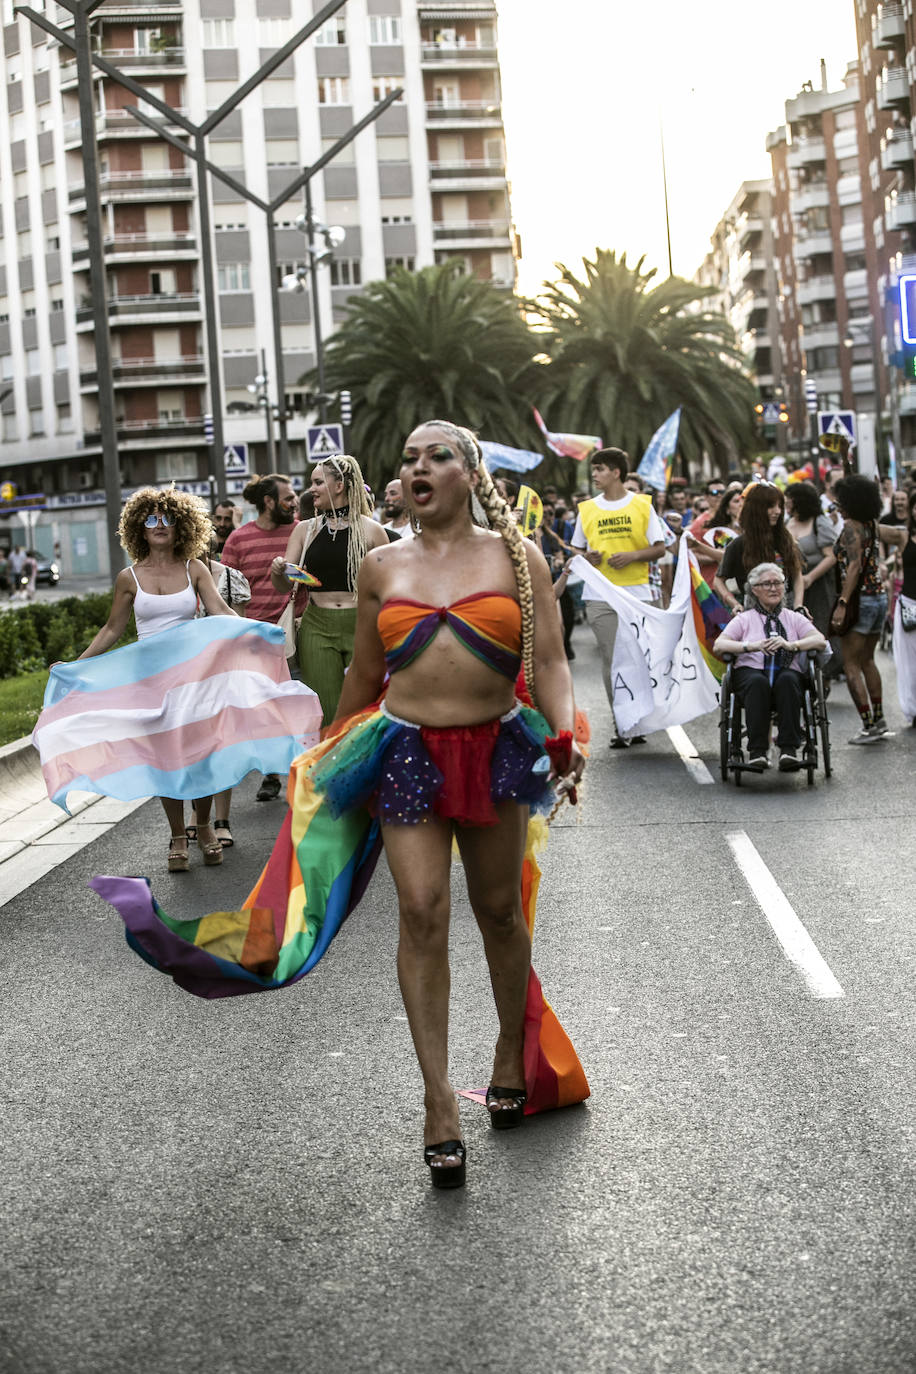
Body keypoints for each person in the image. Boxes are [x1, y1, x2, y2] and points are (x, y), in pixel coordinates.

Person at [325, 419, 586, 1187]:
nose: (419, 466)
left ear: (470, 473)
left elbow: (551, 660)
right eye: (408, 457)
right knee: (422, 909)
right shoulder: (379, 566)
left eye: (438, 455)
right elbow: (363, 676)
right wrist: (328, 743)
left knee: (499, 910)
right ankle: (439, 1101)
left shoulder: (517, 557)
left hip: (498, 748)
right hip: (406, 751)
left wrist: (566, 733)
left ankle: (510, 1048)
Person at [75, 489, 237, 869]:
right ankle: (178, 834)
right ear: (139, 528)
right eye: (151, 519)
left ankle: (205, 826)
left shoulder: (194, 567)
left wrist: (258, 632)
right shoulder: (128, 577)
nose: (159, 526)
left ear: (180, 524)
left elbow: (219, 610)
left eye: (167, 518)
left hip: (194, 676)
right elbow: (112, 629)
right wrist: (77, 664)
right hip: (151, 680)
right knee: (167, 759)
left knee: (199, 755)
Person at [271, 455, 388, 726]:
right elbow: (284, 586)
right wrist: (278, 571)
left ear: (339, 486)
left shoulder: (372, 531)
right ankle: (330, 765)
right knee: (327, 710)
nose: (311, 489)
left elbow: (387, 587)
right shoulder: (305, 530)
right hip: (317, 626)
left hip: (362, 624)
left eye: (317, 482)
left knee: (364, 708)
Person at [570, 447, 666, 747]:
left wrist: (634, 556)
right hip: (599, 594)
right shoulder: (587, 509)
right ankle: (622, 724)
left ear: (616, 472)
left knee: (638, 658)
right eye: (593, 470)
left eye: (599, 469)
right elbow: (576, 550)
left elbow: (660, 548)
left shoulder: (642, 506)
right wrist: (589, 556)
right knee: (612, 659)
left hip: (637, 593)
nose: (595, 475)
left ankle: (639, 719)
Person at [220, 473, 300, 802]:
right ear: (269, 502)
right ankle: (271, 771)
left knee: (295, 705)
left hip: (295, 632)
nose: (295, 502)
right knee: (264, 709)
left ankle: (299, 771)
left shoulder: (300, 531)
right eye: (288, 497)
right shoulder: (238, 541)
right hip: (254, 637)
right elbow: (223, 590)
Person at [714, 562, 827, 771]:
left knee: (789, 679)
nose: (774, 588)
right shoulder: (744, 619)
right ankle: (757, 751)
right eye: (767, 584)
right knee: (757, 682)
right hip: (751, 672)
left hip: (786, 671)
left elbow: (820, 641)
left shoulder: (794, 618)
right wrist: (751, 646)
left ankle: (788, 750)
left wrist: (792, 645)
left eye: (778, 583)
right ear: (754, 589)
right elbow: (719, 645)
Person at [831, 475, 889, 743]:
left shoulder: (852, 528)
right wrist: (847, 462)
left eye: (841, 502)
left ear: (851, 503)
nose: (837, 506)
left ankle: (868, 725)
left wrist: (842, 602)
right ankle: (878, 719)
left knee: (851, 663)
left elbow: (853, 567)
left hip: (860, 600)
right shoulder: (872, 525)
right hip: (879, 597)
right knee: (868, 660)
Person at [715, 482, 805, 615]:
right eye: (771, 506)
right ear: (756, 509)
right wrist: (735, 604)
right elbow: (718, 581)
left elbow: (797, 575)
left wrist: (798, 606)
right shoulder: (739, 544)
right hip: (753, 614)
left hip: (788, 612)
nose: (777, 511)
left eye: (780, 506)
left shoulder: (785, 540)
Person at [878, 489, 916, 725]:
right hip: (910, 605)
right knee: (910, 663)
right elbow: (873, 528)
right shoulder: (903, 536)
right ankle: (914, 710)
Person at [784, 481, 837, 637]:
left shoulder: (819, 522)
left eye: (790, 499)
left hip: (819, 585)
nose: (786, 503)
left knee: (820, 625)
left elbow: (831, 555)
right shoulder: (787, 523)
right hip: (793, 585)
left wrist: (810, 578)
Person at [686, 485, 743, 588]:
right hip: (721, 586)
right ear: (727, 509)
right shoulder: (720, 533)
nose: (741, 505)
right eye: (736, 501)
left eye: (743, 501)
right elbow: (725, 556)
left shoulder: (752, 529)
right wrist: (699, 546)